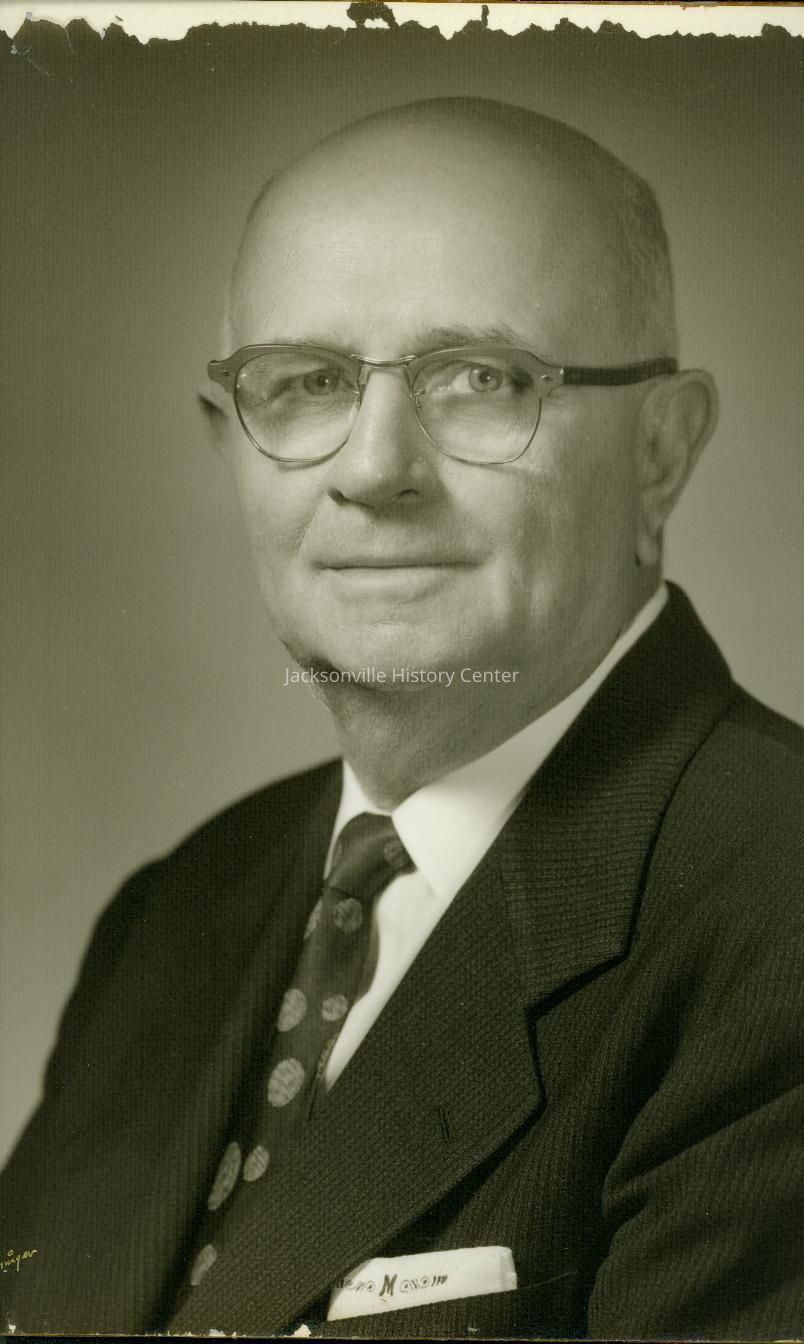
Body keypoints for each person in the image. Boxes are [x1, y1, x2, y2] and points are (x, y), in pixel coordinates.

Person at [1, 98, 801, 1340]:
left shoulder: (776, 920)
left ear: (661, 451)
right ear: (231, 447)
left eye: (480, 379)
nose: (375, 470)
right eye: (307, 383)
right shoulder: (171, 918)